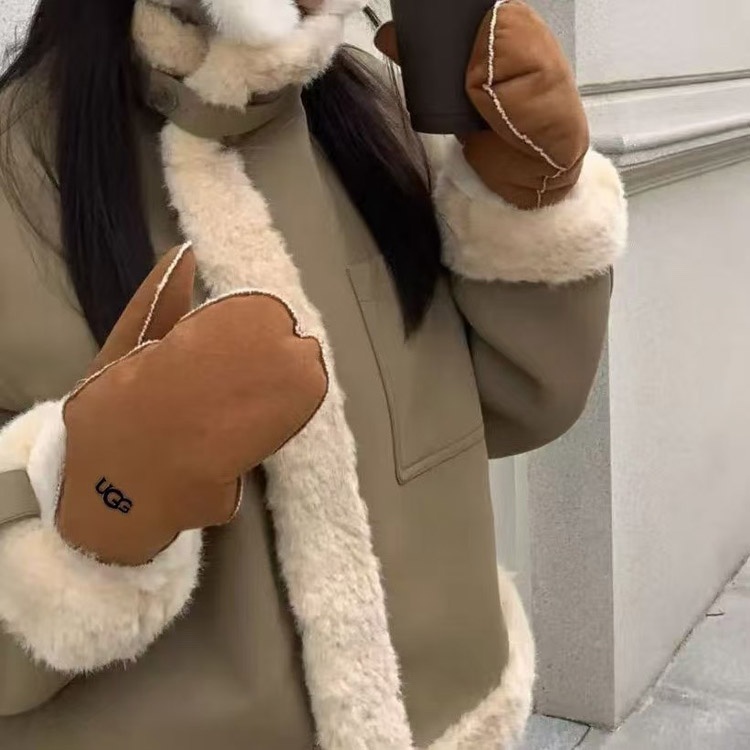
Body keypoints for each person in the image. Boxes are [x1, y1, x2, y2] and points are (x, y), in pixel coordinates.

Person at [0, 0, 627, 747]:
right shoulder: (17, 175)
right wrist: (99, 504)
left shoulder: (379, 111)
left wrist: (529, 199)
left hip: (456, 720)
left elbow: (512, 405)